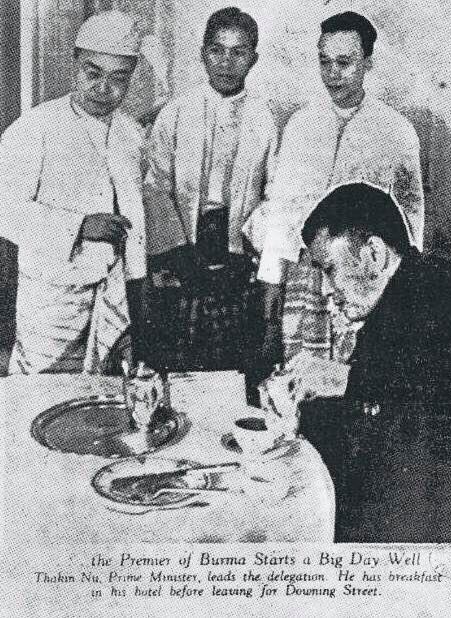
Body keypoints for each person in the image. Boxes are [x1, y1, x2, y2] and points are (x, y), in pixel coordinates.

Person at [289, 182, 451, 542]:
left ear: (374, 255)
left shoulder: (441, 300)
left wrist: (344, 379)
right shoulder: (406, 292)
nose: (326, 289)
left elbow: (434, 406)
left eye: (329, 269)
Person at [244, 11, 424, 363]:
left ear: (368, 63)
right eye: (324, 62)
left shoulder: (396, 131)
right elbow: (282, 213)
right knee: (301, 374)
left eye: (344, 62)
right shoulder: (301, 125)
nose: (332, 73)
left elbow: (411, 222)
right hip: (304, 275)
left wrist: (399, 295)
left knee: (355, 374)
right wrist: (271, 288)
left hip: (361, 278)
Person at [0, 10, 146, 374]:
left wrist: (139, 290)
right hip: (52, 300)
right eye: (93, 74)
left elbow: (136, 223)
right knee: (42, 400)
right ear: (75, 64)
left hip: (113, 298)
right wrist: (79, 226)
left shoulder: (131, 133)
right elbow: (4, 208)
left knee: (103, 402)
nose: (103, 88)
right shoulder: (36, 127)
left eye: (119, 78)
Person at [144, 7, 278, 378]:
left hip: (237, 264)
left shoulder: (264, 120)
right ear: (203, 52)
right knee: (179, 366)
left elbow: (274, 193)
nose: (226, 62)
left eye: (238, 52)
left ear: (253, 59)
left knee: (231, 370)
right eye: (217, 50)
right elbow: (156, 187)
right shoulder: (175, 114)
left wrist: (244, 248)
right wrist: (178, 254)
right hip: (182, 262)